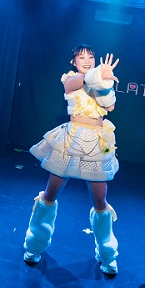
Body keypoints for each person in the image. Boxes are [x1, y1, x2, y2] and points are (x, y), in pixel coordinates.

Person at [23, 45, 121, 274]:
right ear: (73, 62)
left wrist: (105, 82)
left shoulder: (101, 80)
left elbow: (110, 106)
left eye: (90, 57)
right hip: (71, 139)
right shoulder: (70, 78)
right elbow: (73, 84)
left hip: (97, 142)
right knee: (50, 194)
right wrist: (98, 75)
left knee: (100, 201)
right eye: (81, 57)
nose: (86, 60)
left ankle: (107, 254)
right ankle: (34, 244)